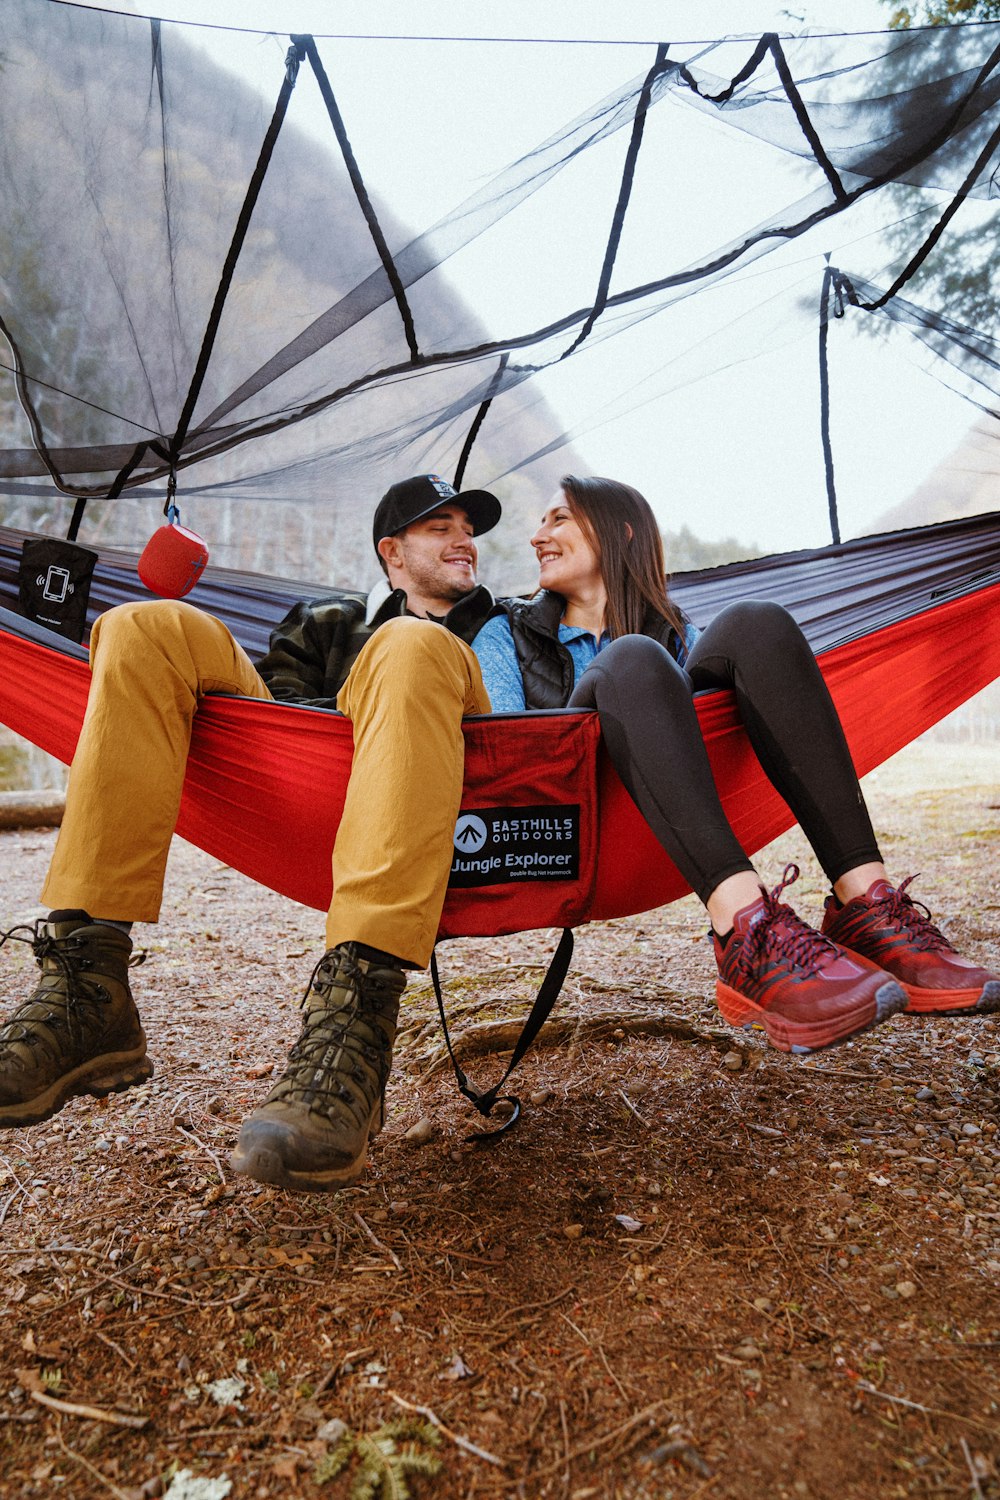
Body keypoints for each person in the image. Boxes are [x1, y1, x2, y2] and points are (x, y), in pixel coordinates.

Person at [0, 474, 499, 1193]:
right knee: (143, 626)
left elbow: (546, 735)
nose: (464, 540)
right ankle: (88, 978)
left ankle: (356, 1018)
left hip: (448, 793)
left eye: (469, 529)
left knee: (412, 645)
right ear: (392, 551)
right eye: (440, 527)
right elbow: (276, 721)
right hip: (306, 783)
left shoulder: (507, 626)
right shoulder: (329, 622)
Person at [472, 474, 1000, 1053]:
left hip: (672, 821)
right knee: (633, 658)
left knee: (756, 622)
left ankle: (867, 906)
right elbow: (510, 756)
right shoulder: (507, 631)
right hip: (578, 820)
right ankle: (745, 930)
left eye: (558, 519)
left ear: (618, 532)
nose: (536, 536)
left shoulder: (676, 635)